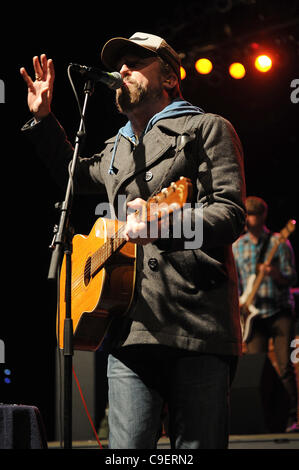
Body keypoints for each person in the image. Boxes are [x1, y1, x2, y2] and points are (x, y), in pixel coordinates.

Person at [20, 32, 246, 449]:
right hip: (128, 329)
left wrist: (166, 225)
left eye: (136, 62)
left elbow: (230, 215)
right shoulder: (114, 149)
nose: (122, 69)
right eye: (119, 63)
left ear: (171, 78)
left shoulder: (205, 129)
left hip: (195, 324)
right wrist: (44, 118)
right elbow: (70, 175)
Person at [233, 196, 298, 432]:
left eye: (253, 214)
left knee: (283, 367)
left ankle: (291, 419)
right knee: (255, 367)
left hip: (279, 311)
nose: (249, 219)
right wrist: (239, 304)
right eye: (247, 214)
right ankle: (262, 418)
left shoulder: (279, 243)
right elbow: (236, 283)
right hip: (253, 317)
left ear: (262, 217)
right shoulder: (237, 246)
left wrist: (275, 274)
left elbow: (292, 278)